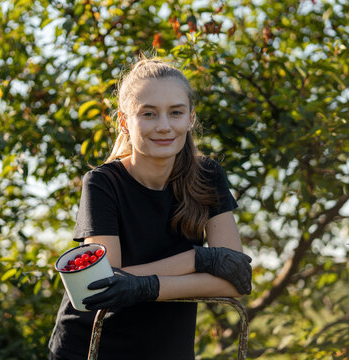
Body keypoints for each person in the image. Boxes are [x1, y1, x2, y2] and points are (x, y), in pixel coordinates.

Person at [48, 58, 252, 360]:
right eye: (148, 114)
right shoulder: (102, 183)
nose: (164, 126)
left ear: (191, 118)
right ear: (124, 121)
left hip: (167, 349)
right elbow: (104, 284)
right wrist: (200, 259)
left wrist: (145, 286)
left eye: (176, 112)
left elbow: (235, 281)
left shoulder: (208, 175)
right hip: (92, 347)